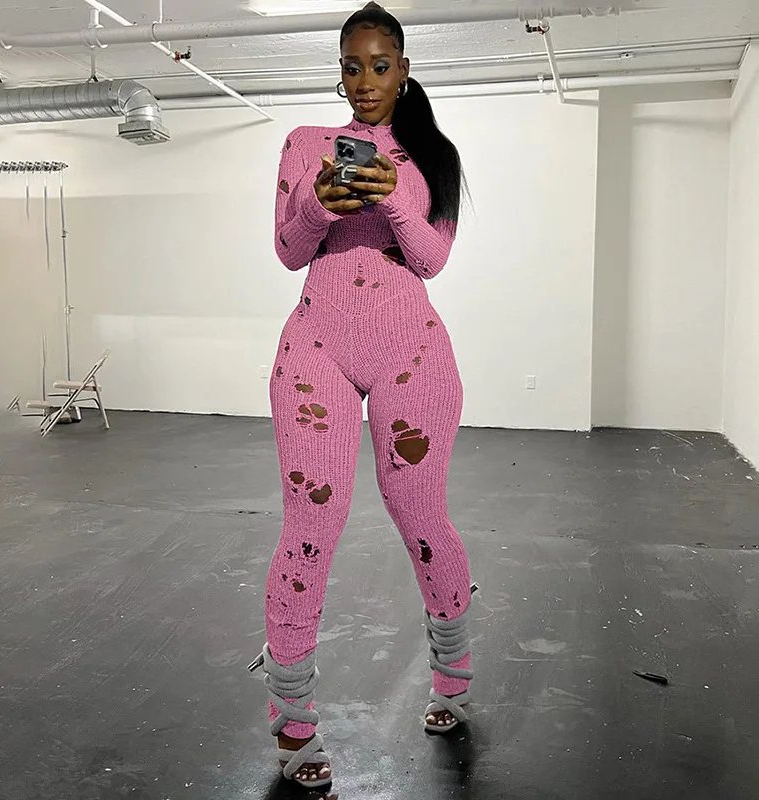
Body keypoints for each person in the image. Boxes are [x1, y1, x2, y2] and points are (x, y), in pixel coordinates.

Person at [248, 2, 476, 789]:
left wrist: (389, 198)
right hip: (317, 349)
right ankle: (293, 725)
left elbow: (432, 258)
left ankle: (453, 677)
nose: (366, 81)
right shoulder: (305, 144)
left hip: (413, 352)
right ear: (339, 71)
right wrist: (319, 202)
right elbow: (288, 250)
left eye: (381, 66)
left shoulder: (432, 154)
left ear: (404, 70)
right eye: (352, 66)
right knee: (310, 524)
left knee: (423, 518)